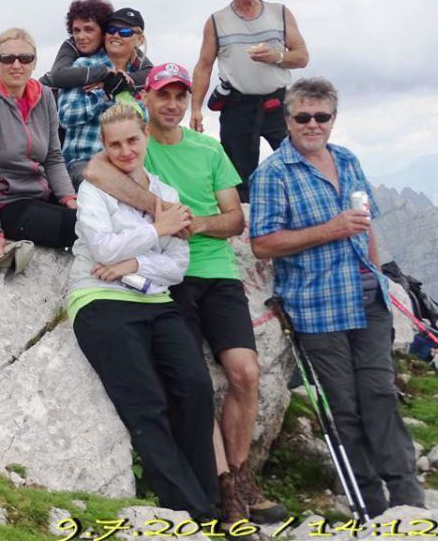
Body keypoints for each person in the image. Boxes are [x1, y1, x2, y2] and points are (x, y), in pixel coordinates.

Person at [83, 63, 287, 527]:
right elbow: (96, 169)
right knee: (193, 380)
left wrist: (189, 222)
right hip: (166, 277)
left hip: (215, 270)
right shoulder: (136, 144)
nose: (172, 104)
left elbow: (235, 219)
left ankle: (240, 475)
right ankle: (224, 487)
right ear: (147, 101)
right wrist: (162, 215)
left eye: (181, 96)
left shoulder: (209, 148)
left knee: (244, 371)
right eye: (163, 95)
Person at [250, 78, 425, 517]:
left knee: (379, 395)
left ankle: (408, 502)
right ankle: (370, 507)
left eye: (321, 117)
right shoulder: (273, 173)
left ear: (333, 120)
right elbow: (263, 244)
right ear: (287, 120)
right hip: (316, 306)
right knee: (344, 407)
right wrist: (332, 229)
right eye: (302, 117)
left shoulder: (347, 159)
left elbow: (366, 229)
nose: (312, 125)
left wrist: (379, 276)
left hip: (368, 300)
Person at [68, 104, 217, 518]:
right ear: (104, 147)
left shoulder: (166, 194)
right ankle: (191, 511)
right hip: (100, 299)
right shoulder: (93, 191)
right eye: (115, 145)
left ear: (146, 136)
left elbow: (177, 264)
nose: (126, 151)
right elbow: (102, 250)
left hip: (155, 299)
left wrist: (132, 263)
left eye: (133, 140)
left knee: (195, 388)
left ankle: (209, 498)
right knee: (146, 402)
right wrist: (157, 230)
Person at [190, 0, 309, 202]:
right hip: (237, 104)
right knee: (237, 174)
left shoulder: (280, 13)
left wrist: (276, 57)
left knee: (297, 163)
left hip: (278, 103)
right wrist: (196, 109)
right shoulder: (216, 21)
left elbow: (302, 57)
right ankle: (242, 229)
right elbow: (204, 66)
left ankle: (303, 217)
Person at [0, 28, 77, 262]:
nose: (16, 65)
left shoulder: (44, 96)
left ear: (34, 62)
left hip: (41, 195)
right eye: (7, 58)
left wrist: (69, 198)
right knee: (82, 229)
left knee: (96, 217)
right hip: (8, 205)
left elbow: (53, 156)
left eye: (25, 58)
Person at [57, 7, 152, 187]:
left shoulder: (138, 78)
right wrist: (105, 94)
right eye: (111, 30)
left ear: (139, 40)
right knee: (119, 190)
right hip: (85, 161)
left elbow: (145, 124)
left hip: (127, 162)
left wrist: (127, 92)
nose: (116, 35)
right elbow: (65, 117)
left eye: (124, 32)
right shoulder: (83, 66)